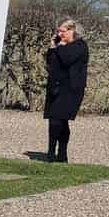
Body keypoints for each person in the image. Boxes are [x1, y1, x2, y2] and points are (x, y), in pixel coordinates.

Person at [43, 19, 89, 162]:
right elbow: (50, 62)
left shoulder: (80, 46)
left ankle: (58, 153)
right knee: (57, 120)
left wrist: (60, 46)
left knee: (58, 118)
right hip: (56, 87)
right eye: (58, 31)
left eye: (62, 31)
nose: (59, 34)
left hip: (70, 89)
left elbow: (67, 59)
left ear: (72, 31)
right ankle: (56, 154)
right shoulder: (59, 46)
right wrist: (52, 47)